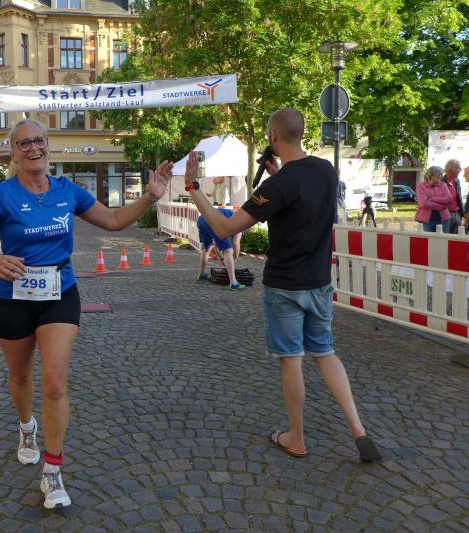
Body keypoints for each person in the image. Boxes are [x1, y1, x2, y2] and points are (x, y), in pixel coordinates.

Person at [0, 119, 172, 509]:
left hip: (59, 293)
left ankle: (53, 471)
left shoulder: (67, 191)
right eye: (24, 143)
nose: (33, 148)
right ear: (14, 151)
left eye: (39, 140)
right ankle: (27, 427)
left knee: (55, 382)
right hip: (12, 297)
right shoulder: (1, 195)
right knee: (20, 374)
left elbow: (114, 221)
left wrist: (150, 197)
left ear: (48, 145)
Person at [182, 108, 382, 462]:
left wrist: (194, 189)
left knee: (292, 361)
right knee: (325, 353)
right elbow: (301, 198)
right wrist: (279, 175)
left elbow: (225, 227)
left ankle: (296, 438)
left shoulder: (277, 185)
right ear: (301, 133)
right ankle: (358, 430)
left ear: (273, 137)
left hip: (285, 286)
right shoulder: (326, 170)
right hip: (319, 281)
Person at [197, 208, 245, 290]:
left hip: (201, 220)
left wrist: (222, 259)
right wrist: (235, 259)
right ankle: (234, 283)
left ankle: (202, 274)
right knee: (228, 250)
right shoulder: (242, 223)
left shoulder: (230, 213)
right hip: (214, 222)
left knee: (206, 248)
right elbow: (236, 243)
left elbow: (216, 244)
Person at [415, 166, 452, 233]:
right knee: (428, 238)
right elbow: (423, 203)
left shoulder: (443, 185)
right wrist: (441, 206)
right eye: (439, 174)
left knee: (443, 238)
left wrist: (432, 199)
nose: (441, 176)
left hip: (444, 218)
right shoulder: (421, 186)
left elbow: (448, 199)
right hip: (426, 219)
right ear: (431, 176)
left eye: (442, 174)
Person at [443, 159, 463, 234]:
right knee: (444, 237)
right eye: (459, 168)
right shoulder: (440, 182)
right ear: (452, 169)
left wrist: (461, 214)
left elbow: (459, 199)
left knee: (457, 238)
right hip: (444, 215)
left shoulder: (457, 181)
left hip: (456, 214)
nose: (460, 170)